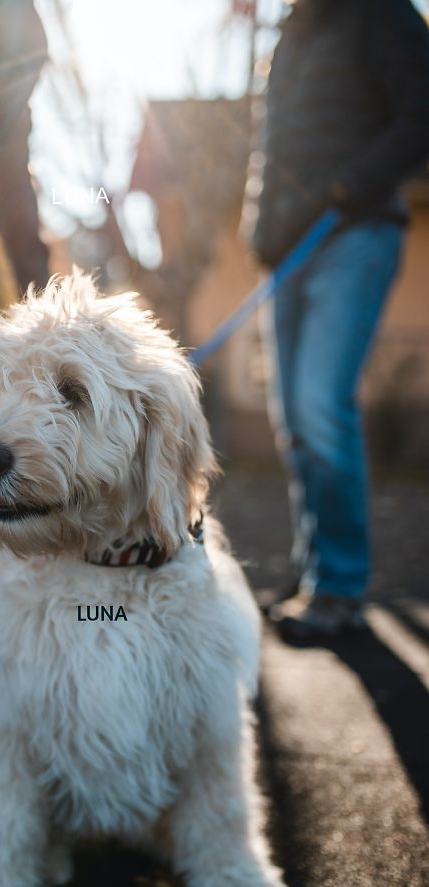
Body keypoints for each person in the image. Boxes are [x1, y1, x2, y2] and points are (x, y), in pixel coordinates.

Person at [248, 0, 429, 640]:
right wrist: (261, 230)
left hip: (354, 233)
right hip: (286, 249)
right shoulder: (292, 30)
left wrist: (349, 186)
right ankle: (315, 568)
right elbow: (274, 147)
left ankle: (341, 589)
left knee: (322, 405)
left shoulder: (381, 14)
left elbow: (420, 116)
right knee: (294, 420)